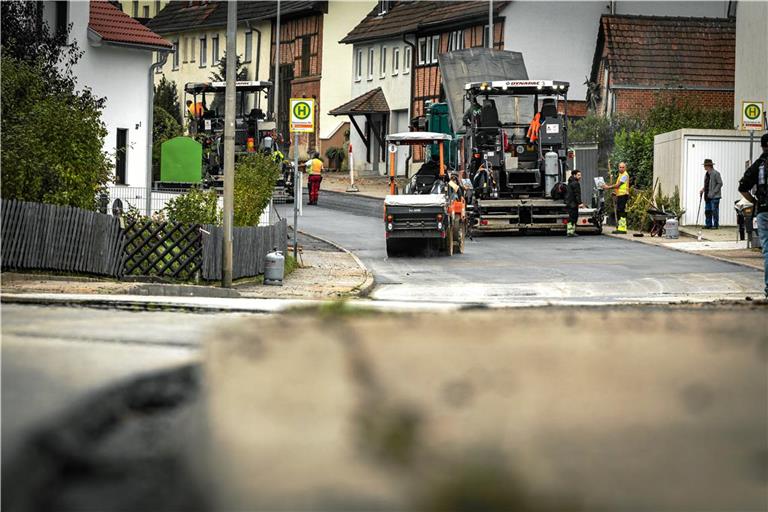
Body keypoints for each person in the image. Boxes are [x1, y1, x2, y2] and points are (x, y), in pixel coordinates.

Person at [738, 132, 768, 299]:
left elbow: (742, 186)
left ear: (762, 146)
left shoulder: (758, 165)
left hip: (764, 210)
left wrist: (755, 201)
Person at [603, 162, 630, 234]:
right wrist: (615, 193)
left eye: (623, 167)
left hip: (623, 195)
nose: (621, 168)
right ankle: (620, 227)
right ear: (618, 168)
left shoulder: (625, 175)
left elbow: (618, 185)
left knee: (621, 211)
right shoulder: (620, 175)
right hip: (620, 195)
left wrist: (608, 187)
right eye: (620, 167)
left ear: (625, 168)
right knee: (619, 211)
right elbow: (619, 187)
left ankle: (623, 228)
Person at [699, 158, 723, 229]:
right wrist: (703, 189)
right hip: (707, 196)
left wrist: (713, 192)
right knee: (707, 211)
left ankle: (715, 225)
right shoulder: (707, 174)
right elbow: (707, 184)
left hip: (715, 197)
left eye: (705, 165)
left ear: (709, 166)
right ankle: (708, 224)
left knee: (714, 211)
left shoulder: (716, 173)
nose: (704, 167)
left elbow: (720, 183)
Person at [565, 169, 584, 237]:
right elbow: (577, 194)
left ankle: (570, 231)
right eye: (578, 175)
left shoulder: (570, 182)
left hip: (569, 202)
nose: (580, 176)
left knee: (571, 217)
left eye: (580, 175)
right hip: (573, 203)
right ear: (574, 175)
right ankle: (570, 232)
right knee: (573, 217)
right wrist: (580, 203)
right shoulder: (576, 183)